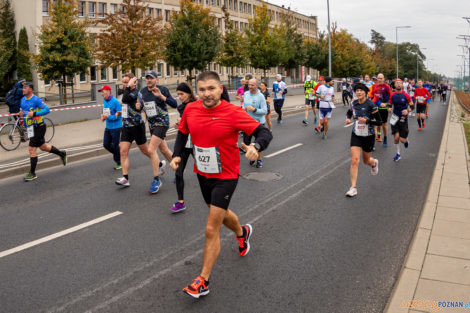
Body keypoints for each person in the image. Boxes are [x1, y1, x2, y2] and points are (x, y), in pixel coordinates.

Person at [170, 71, 272, 298]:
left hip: (226, 175)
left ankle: (203, 281)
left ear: (220, 88)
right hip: (202, 172)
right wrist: (177, 155)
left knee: (210, 228)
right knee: (220, 212)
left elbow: (263, 130)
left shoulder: (233, 112)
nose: (207, 94)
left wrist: (256, 145)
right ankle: (242, 231)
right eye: (203, 89)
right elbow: (182, 133)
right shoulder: (190, 109)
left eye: (211, 89)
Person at [115, 73, 160, 188]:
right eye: (123, 82)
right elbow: (123, 102)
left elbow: (125, 98)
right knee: (123, 152)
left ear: (133, 82)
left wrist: (129, 87)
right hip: (126, 126)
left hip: (137, 126)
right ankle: (125, 178)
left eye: (126, 82)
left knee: (146, 151)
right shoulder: (125, 91)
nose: (124, 84)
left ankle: (159, 163)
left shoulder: (136, 93)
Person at [19, 82, 67, 181]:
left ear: (30, 89)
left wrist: (35, 113)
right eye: (22, 88)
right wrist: (21, 114)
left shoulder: (36, 100)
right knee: (43, 147)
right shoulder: (22, 100)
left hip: (39, 127)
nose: (23, 89)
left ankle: (32, 173)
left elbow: (47, 110)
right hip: (30, 127)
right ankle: (62, 154)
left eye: (25, 88)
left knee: (31, 148)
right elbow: (23, 111)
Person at [139, 70, 177, 194]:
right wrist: (138, 107)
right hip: (152, 124)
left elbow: (175, 104)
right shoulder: (142, 92)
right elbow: (139, 106)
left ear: (157, 80)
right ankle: (178, 170)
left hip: (162, 122)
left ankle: (156, 180)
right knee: (164, 150)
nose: (149, 80)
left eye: (151, 78)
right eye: (147, 78)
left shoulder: (163, 89)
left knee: (151, 150)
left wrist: (161, 97)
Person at [345, 83, 381, 197]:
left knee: (366, 161)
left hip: (368, 136)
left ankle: (374, 163)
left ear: (365, 92)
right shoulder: (353, 103)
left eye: (361, 90)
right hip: (356, 134)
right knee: (355, 160)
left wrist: (367, 121)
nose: (359, 92)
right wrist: (347, 118)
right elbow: (350, 112)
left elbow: (380, 121)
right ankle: (353, 187)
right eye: (357, 91)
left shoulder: (371, 104)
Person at [170, 83, 197, 214]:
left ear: (189, 93)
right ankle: (180, 202)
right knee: (178, 172)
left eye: (182, 94)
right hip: (185, 143)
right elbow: (184, 126)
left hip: (198, 144)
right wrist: (180, 125)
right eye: (178, 94)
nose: (179, 97)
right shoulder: (182, 108)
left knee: (205, 172)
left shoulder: (197, 106)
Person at [243, 78, 268, 168]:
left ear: (256, 86)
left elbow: (265, 111)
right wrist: (243, 110)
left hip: (258, 123)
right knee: (247, 143)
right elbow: (243, 106)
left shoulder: (260, 96)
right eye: (249, 85)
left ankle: (259, 159)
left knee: (259, 143)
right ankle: (252, 157)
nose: (250, 86)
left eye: (252, 85)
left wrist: (254, 109)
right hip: (248, 123)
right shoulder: (246, 94)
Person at [99, 85, 122, 170]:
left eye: (103, 91)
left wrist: (108, 117)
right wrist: (103, 117)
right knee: (106, 144)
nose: (102, 94)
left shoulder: (115, 102)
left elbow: (119, 117)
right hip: (108, 127)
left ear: (108, 91)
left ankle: (119, 162)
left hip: (116, 127)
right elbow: (106, 112)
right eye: (101, 92)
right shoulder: (105, 101)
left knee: (115, 145)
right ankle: (119, 154)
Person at [388, 79, 411, 162]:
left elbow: (412, 106)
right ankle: (398, 154)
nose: (398, 84)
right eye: (397, 83)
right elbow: (390, 104)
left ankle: (406, 140)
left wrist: (407, 110)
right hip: (394, 118)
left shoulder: (406, 95)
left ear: (402, 85)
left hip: (403, 119)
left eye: (400, 83)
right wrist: (389, 108)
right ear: (394, 85)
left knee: (402, 140)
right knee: (396, 138)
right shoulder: (392, 95)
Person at [368, 73, 392, 146]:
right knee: (376, 124)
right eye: (378, 78)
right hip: (375, 108)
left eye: (381, 78)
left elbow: (391, 97)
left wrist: (389, 106)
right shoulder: (374, 86)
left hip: (384, 108)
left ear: (384, 79)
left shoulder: (387, 87)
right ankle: (378, 136)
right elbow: (371, 96)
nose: (379, 80)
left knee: (384, 125)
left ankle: (385, 138)